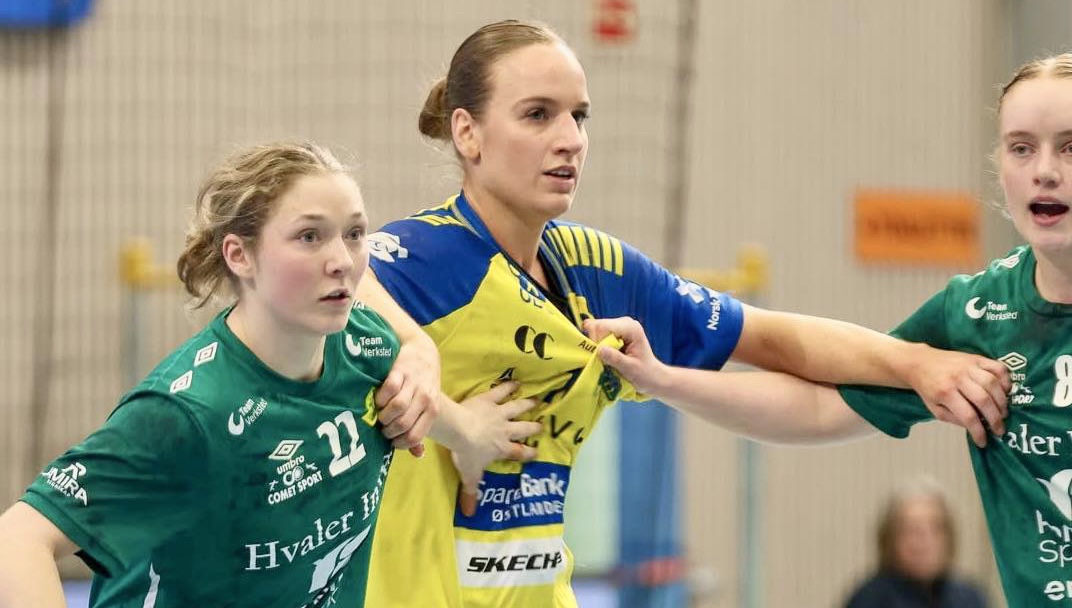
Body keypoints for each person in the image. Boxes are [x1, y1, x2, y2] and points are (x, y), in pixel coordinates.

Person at [355, 19, 1011, 608]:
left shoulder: (595, 269)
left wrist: (917, 363)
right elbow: (331, 277)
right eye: (537, 115)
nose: (570, 140)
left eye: (579, 116)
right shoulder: (429, 258)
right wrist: (456, 416)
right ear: (467, 132)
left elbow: (772, 338)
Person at [588, 51, 1072, 608]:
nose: (1044, 170)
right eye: (1021, 147)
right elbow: (821, 408)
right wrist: (663, 380)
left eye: (1069, 146)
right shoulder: (979, 311)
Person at [0, 141, 539, 607]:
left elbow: (414, 402)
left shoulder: (365, 345)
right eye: (309, 237)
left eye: (354, 234)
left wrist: (471, 434)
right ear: (240, 256)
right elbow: (18, 541)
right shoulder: (189, 414)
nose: (342, 260)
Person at [843, 478, 988, 608]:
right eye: (911, 530)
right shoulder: (869, 600)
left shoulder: (969, 598)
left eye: (935, 529)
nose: (923, 542)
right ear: (890, 539)